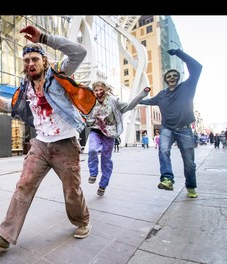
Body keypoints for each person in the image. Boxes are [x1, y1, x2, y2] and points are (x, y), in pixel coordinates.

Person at [0, 25, 91, 251]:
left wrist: (44, 38)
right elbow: (11, 106)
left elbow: (79, 53)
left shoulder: (58, 74)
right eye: (26, 61)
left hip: (65, 144)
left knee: (71, 191)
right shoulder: (25, 85)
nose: (30, 64)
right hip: (40, 145)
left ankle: (82, 220)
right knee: (23, 185)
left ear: (44, 61)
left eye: (35, 59)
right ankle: (4, 236)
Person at [139, 48, 202, 199]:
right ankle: (167, 179)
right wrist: (136, 97)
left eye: (174, 75)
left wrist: (179, 53)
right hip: (167, 128)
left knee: (189, 162)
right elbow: (144, 101)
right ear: (166, 80)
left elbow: (197, 67)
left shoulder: (187, 87)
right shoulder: (162, 95)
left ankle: (191, 186)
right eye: (169, 76)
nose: (172, 77)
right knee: (163, 150)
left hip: (185, 129)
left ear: (178, 78)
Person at [86, 81, 150, 196]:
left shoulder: (114, 100)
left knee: (106, 160)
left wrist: (142, 94)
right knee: (92, 150)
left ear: (105, 90)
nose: (98, 92)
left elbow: (129, 105)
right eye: (96, 90)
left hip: (109, 133)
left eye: (101, 89)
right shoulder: (91, 101)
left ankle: (103, 185)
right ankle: (93, 173)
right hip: (95, 131)